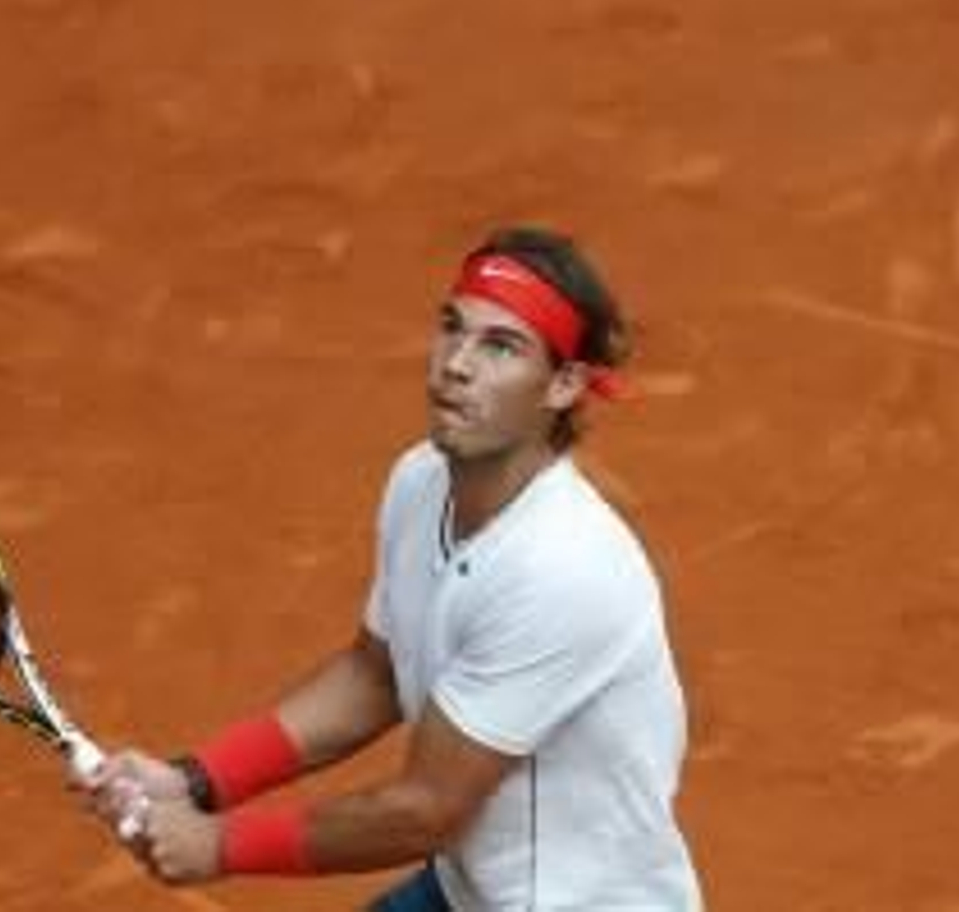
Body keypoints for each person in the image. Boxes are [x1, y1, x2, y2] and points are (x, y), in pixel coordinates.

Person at [79, 226, 702, 910]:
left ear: (563, 384)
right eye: (452, 328)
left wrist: (220, 844)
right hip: (471, 890)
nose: (457, 364)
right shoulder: (422, 479)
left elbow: (427, 810)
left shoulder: (562, 568)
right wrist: (194, 781)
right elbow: (372, 676)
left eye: (500, 346)